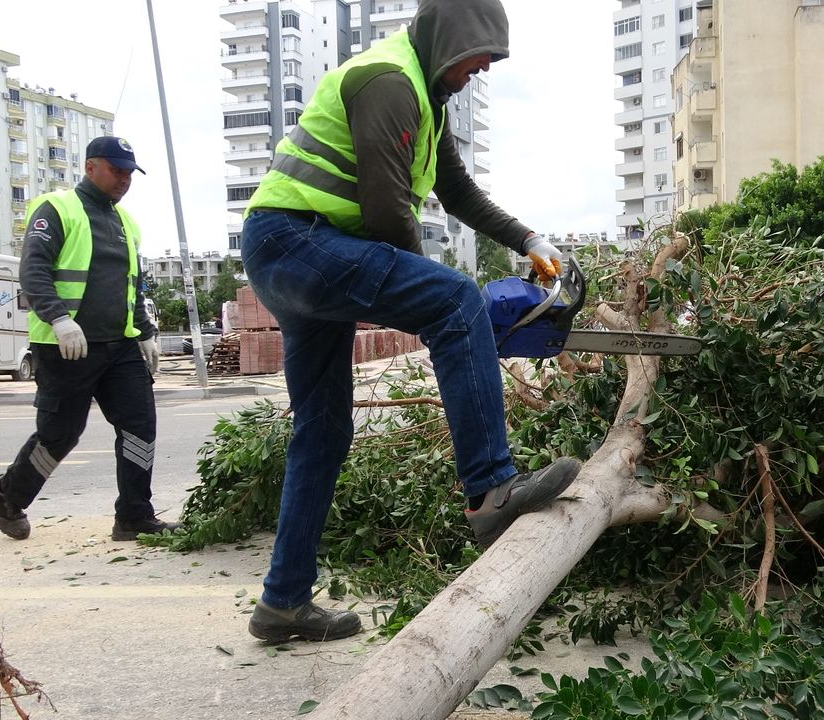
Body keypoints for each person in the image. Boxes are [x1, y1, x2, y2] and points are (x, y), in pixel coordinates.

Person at [240, 0, 580, 643]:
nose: (481, 71)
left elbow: (456, 189)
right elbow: (388, 211)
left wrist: (532, 239)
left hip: (295, 251)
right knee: (455, 299)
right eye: (480, 56)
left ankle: (282, 603)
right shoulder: (388, 82)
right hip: (295, 242)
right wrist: (436, 301)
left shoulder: (425, 96)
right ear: (451, 38)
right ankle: (491, 490)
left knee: (324, 430)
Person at [0, 137, 177, 543]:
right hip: (65, 346)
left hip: (119, 347)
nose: (124, 179)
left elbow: (132, 286)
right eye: (116, 169)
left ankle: (133, 516)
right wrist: (58, 319)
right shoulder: (56, 208)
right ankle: (7, 495)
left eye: (129, 172)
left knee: (140, 428)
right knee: (59, 435)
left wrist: (145, 333)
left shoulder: (128, 223)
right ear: (90, 167)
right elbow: (33, 270)